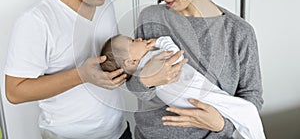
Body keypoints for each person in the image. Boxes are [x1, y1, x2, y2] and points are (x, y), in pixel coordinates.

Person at [126, 0, 264, 138]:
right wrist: (145, 81)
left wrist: (221, 125)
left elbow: (251, 98)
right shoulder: (150, 18)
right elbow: (133, 83)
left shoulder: (239, 33)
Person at [4, 0, 133, 138]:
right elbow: (14, 92)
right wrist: (80, 75)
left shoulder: (107, 7)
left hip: (118, 131)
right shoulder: (36, 21)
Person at [101, 35, 265, 139]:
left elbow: (252, 93)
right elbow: (175, 54)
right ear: (131, 62)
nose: (137, 39)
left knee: (241, 112)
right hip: (193, 94)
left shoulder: (240, 32)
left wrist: (221, 126)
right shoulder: (151, 57)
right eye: (131, 41)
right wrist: (160, 41)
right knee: (245, 111)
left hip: (190, 101)